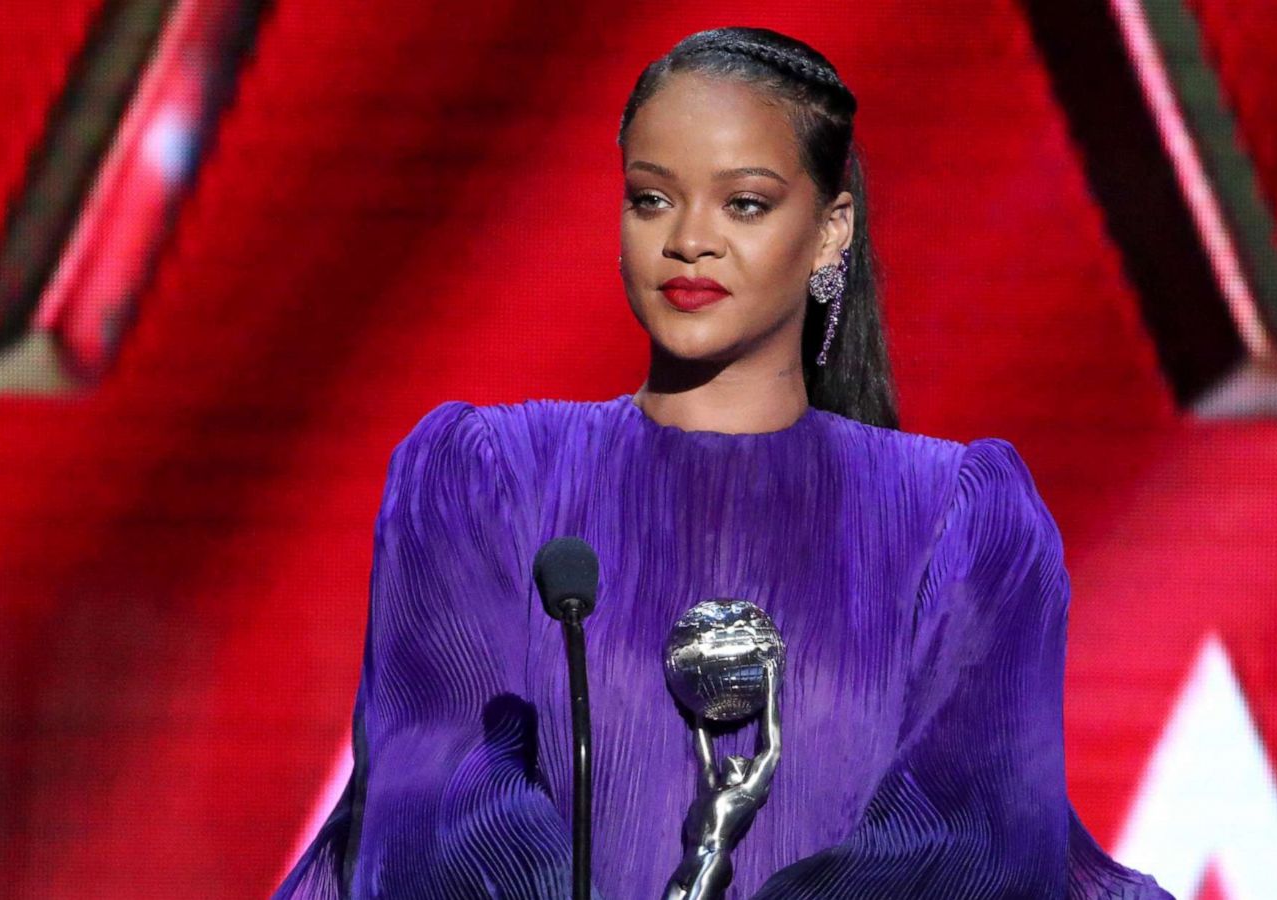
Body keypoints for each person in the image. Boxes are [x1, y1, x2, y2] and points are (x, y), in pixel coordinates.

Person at [275, 26, 1173, 900]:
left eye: (744, 202)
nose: (688, 240)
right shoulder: (483, 479)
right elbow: (437, 817)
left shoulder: (960, 517)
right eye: (651, 198)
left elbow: (967, 843)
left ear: (829, 232)